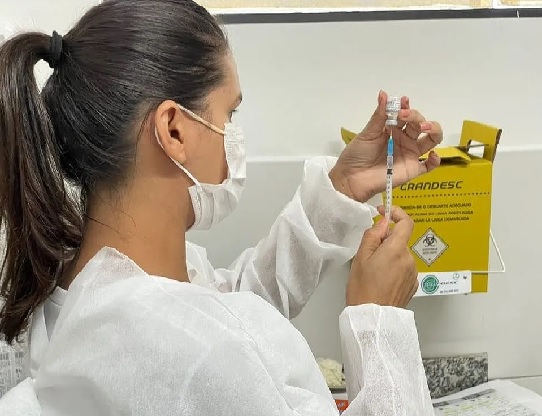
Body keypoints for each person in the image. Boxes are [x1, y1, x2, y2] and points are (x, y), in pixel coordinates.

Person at [0, 1, 443, 414]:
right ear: (174, 130)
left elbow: (225, 309)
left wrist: (343, 188)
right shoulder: (198, 352)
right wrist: (380, 319)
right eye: (229, 115)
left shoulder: (81, 284)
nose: (232, 136)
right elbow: (222, 348)